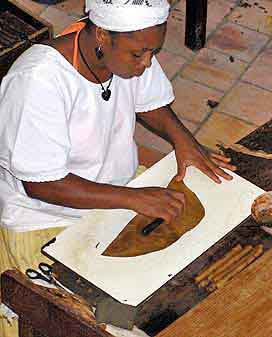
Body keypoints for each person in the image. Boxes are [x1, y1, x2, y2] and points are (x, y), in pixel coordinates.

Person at [0, 0, 235, 335]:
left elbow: (150, 102)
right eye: (139, 54)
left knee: (194, 268)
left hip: (117, 187)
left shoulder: (126, 52)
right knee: (91, 322)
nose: (146, 63)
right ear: (101, 36)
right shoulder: (37, 81)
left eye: (153, 52)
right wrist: (133, 198)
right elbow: (41, 185)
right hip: (46, 215)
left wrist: (184, 141)